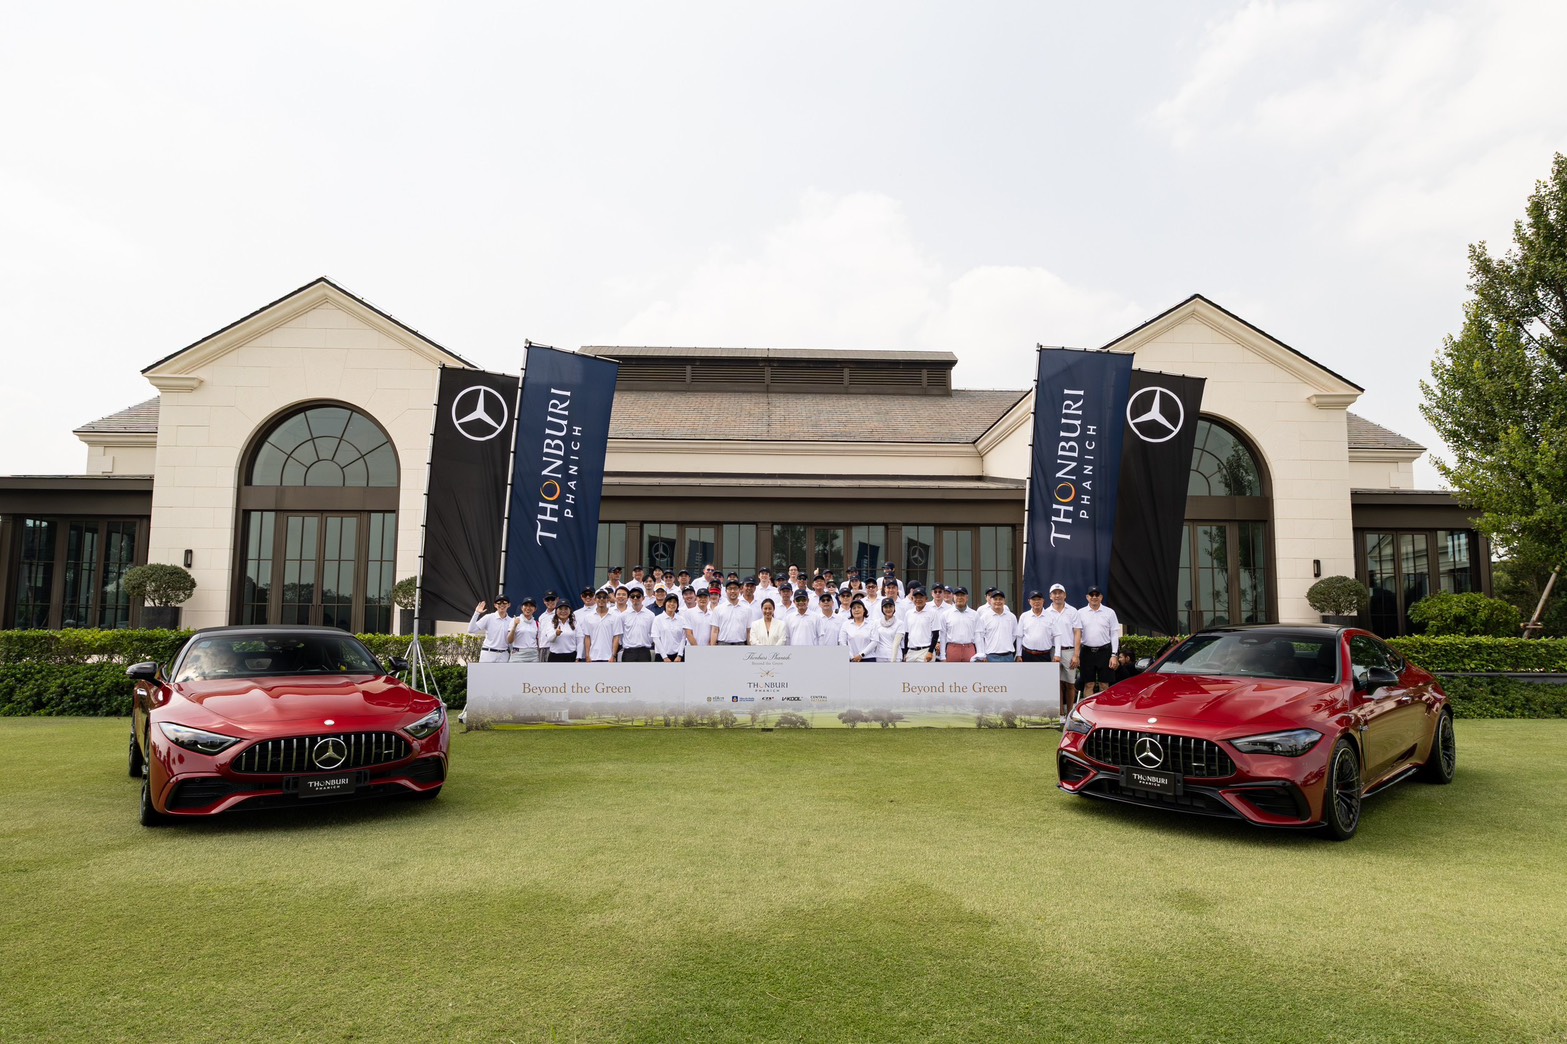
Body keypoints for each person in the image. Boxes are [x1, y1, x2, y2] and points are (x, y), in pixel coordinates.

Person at [1077, 586, 1121, 699]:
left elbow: (1114, 634)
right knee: (1089, 684)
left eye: (1097, 595)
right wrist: (1076, 655)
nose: (1094, 597)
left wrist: (1114, 655)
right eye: (1092, 595)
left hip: (1105, 652)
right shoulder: (1080, 613)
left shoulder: (1110, 612)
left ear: (1101, 597)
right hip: (1086, 652)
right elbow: (1076, 635)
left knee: (1104, 685)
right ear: (1087, 597)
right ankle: (1088, 709)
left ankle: (1103, 708)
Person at [1045, 583, 1083, 708]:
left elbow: (1077, 632)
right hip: (1053, 650)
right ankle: (1060, 713)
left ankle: (1069, 712)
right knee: (1056, 684)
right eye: (1054, 593)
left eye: (1060, 593)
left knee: (1070, 684)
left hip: (1069, 651)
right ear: (1050, 596)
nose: (1057, 596)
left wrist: (1076, 655)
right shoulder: (1046, 613)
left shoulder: (1073, 611)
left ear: (1065, 595)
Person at [580, 590, 623, 663]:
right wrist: (587, 655)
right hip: (592, 657)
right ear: (595, 599)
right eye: (599, 597)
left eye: (604, 597)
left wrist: (613, 655)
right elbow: (587, 637)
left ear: (608, 599)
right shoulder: (588, 617)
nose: (601, 599)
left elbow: (616, 637)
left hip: (609, 657)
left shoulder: (615, 616)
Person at [977, 589, 1018, 662]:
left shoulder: (1012, 617)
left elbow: (1014, 634)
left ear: (1004, 601)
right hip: (990, 656)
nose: (998, 601)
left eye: (1000, 599)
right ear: (990, 601)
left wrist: (1005, 644)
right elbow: (980, 637)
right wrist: (983, 655)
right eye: (995, 599)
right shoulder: (984, 617)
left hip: (1008, 656)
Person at [469, 596, 514, 663]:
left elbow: (511, 642)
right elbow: (471, 630)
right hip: (488, 653)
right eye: (499, 603)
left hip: (504, 655)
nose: (502, 605)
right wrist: (477, 613)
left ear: (509, 605)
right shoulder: (488, 617)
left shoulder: (511, 621)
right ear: (495, 605)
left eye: (504, 603)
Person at [903, 587, 942, 662]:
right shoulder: (908, 613)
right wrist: (905, 652)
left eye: (921, 597)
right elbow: (907, 634)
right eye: (916, 597)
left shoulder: (933, 612)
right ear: (912, 599)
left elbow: (935, 634)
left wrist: (930, 651)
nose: (918, 599)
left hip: (926, 651)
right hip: (911, 651)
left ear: (926, 599)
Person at [619, 588, 657, 661]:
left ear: (643, 598)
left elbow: (653, 633)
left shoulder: (650, 615)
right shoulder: (623, 615)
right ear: (629, 598)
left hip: (644, 651)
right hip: (628, 651)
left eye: (638, 596)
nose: (635, 598)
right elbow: (620, 634)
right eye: (632, 596)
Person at [1018, 591, 1056, 663]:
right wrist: (1018, 654)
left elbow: (1057, 635)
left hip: (1044, 655)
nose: (1036, 602)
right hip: (1027, 655)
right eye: (1034, 599)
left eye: (1039, 599)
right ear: (1029, 601)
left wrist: (1057, 654)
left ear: (1043, 601)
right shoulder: (1024, 616)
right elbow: (1019, 636)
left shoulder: (1051, 616)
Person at [712, 579, 751, 645]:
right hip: (723, 644)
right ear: (726, 591)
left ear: (739, 590)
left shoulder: (747, 609)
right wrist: (712, 648)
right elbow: (715, 630)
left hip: (741, 644)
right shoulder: (718, 609)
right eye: (730, 589)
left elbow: (748, 631)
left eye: (735, 588)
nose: (732, 591)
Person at [652, 594, 687, 662]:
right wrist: (664, 657)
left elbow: (683, 638)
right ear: (665, 603)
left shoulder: (681, 619)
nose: (672, 604)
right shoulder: (658, 619)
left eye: (674, 602)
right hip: (661, 656)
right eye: (669, 601)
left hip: (677, 657)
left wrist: (679, 655)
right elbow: (656, 638)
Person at [507, 597, 542, 663]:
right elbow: (509, 641)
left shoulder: (537, 624)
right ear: (522, 608)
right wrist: (515, 626)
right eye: (526, 605)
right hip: (518, 654)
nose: (528, 608)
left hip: (533, 655)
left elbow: (539, 642)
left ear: (535, 609)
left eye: (531, 606)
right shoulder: (515, 620)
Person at [874, 597, 907, 663]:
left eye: (890, 606)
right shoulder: (876, 623)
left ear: (894, 608)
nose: (888, 609)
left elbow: (896, 643)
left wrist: (893, 661)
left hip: (895, 658)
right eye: (886, 607)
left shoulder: (900, 623)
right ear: (882, 609)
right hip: (880, 656)